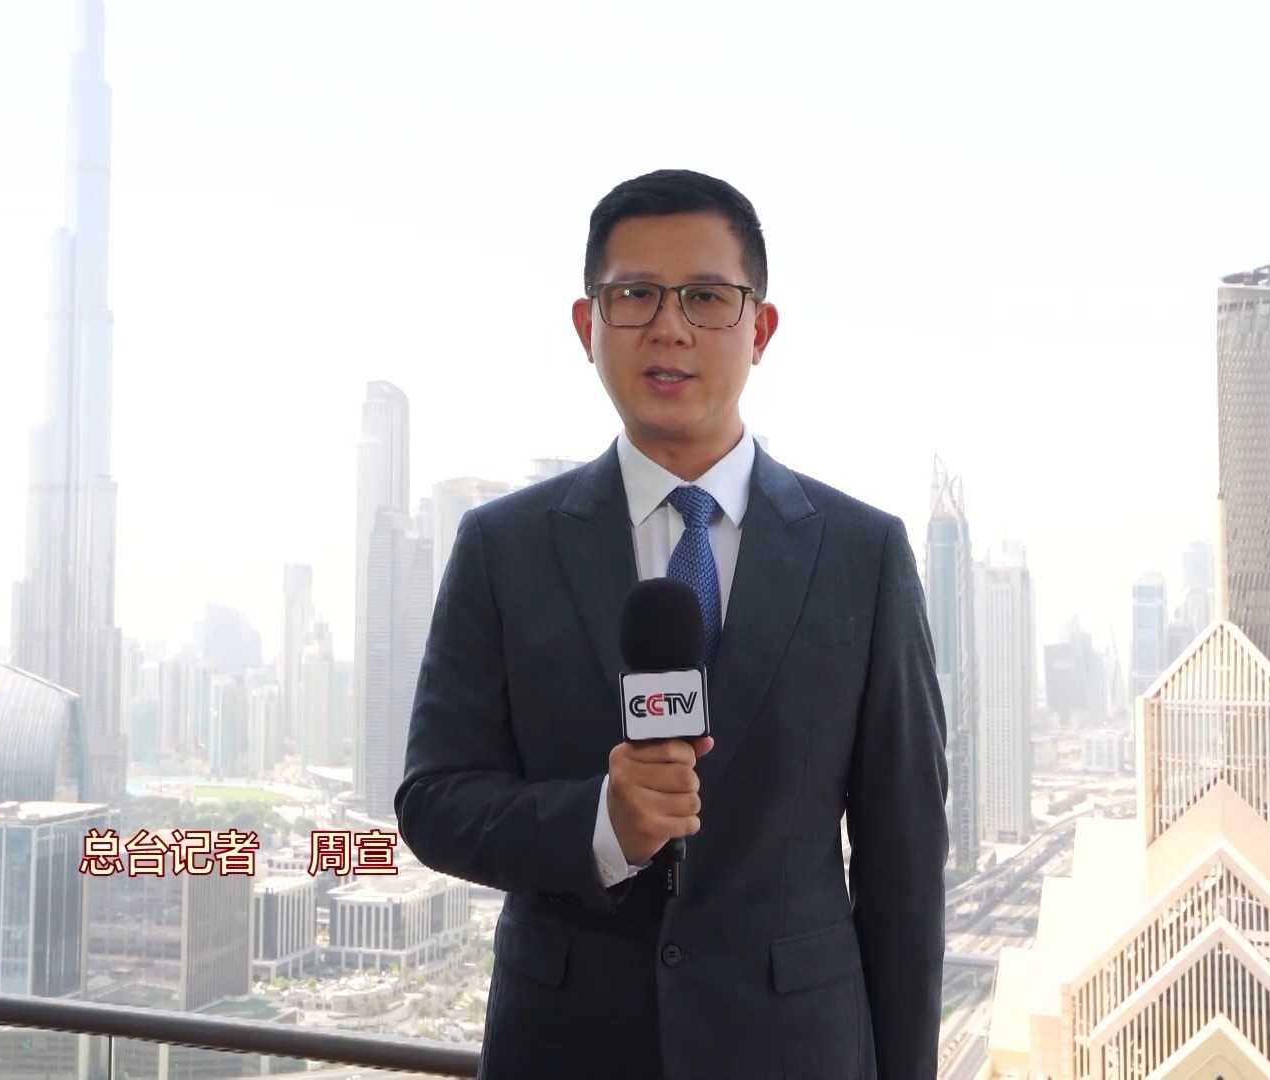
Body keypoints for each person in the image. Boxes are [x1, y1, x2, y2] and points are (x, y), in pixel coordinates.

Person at [397, 168, 948, 1080]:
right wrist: (601, 822)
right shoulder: (502, 546)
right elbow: (434, 800)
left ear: (759, 329)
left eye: (706, 297)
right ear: (588, 326)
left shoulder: (864, 554)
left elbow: (904, 865)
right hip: (566, 1049)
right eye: (635, 296)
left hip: (797, 1053)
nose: (670, 327)